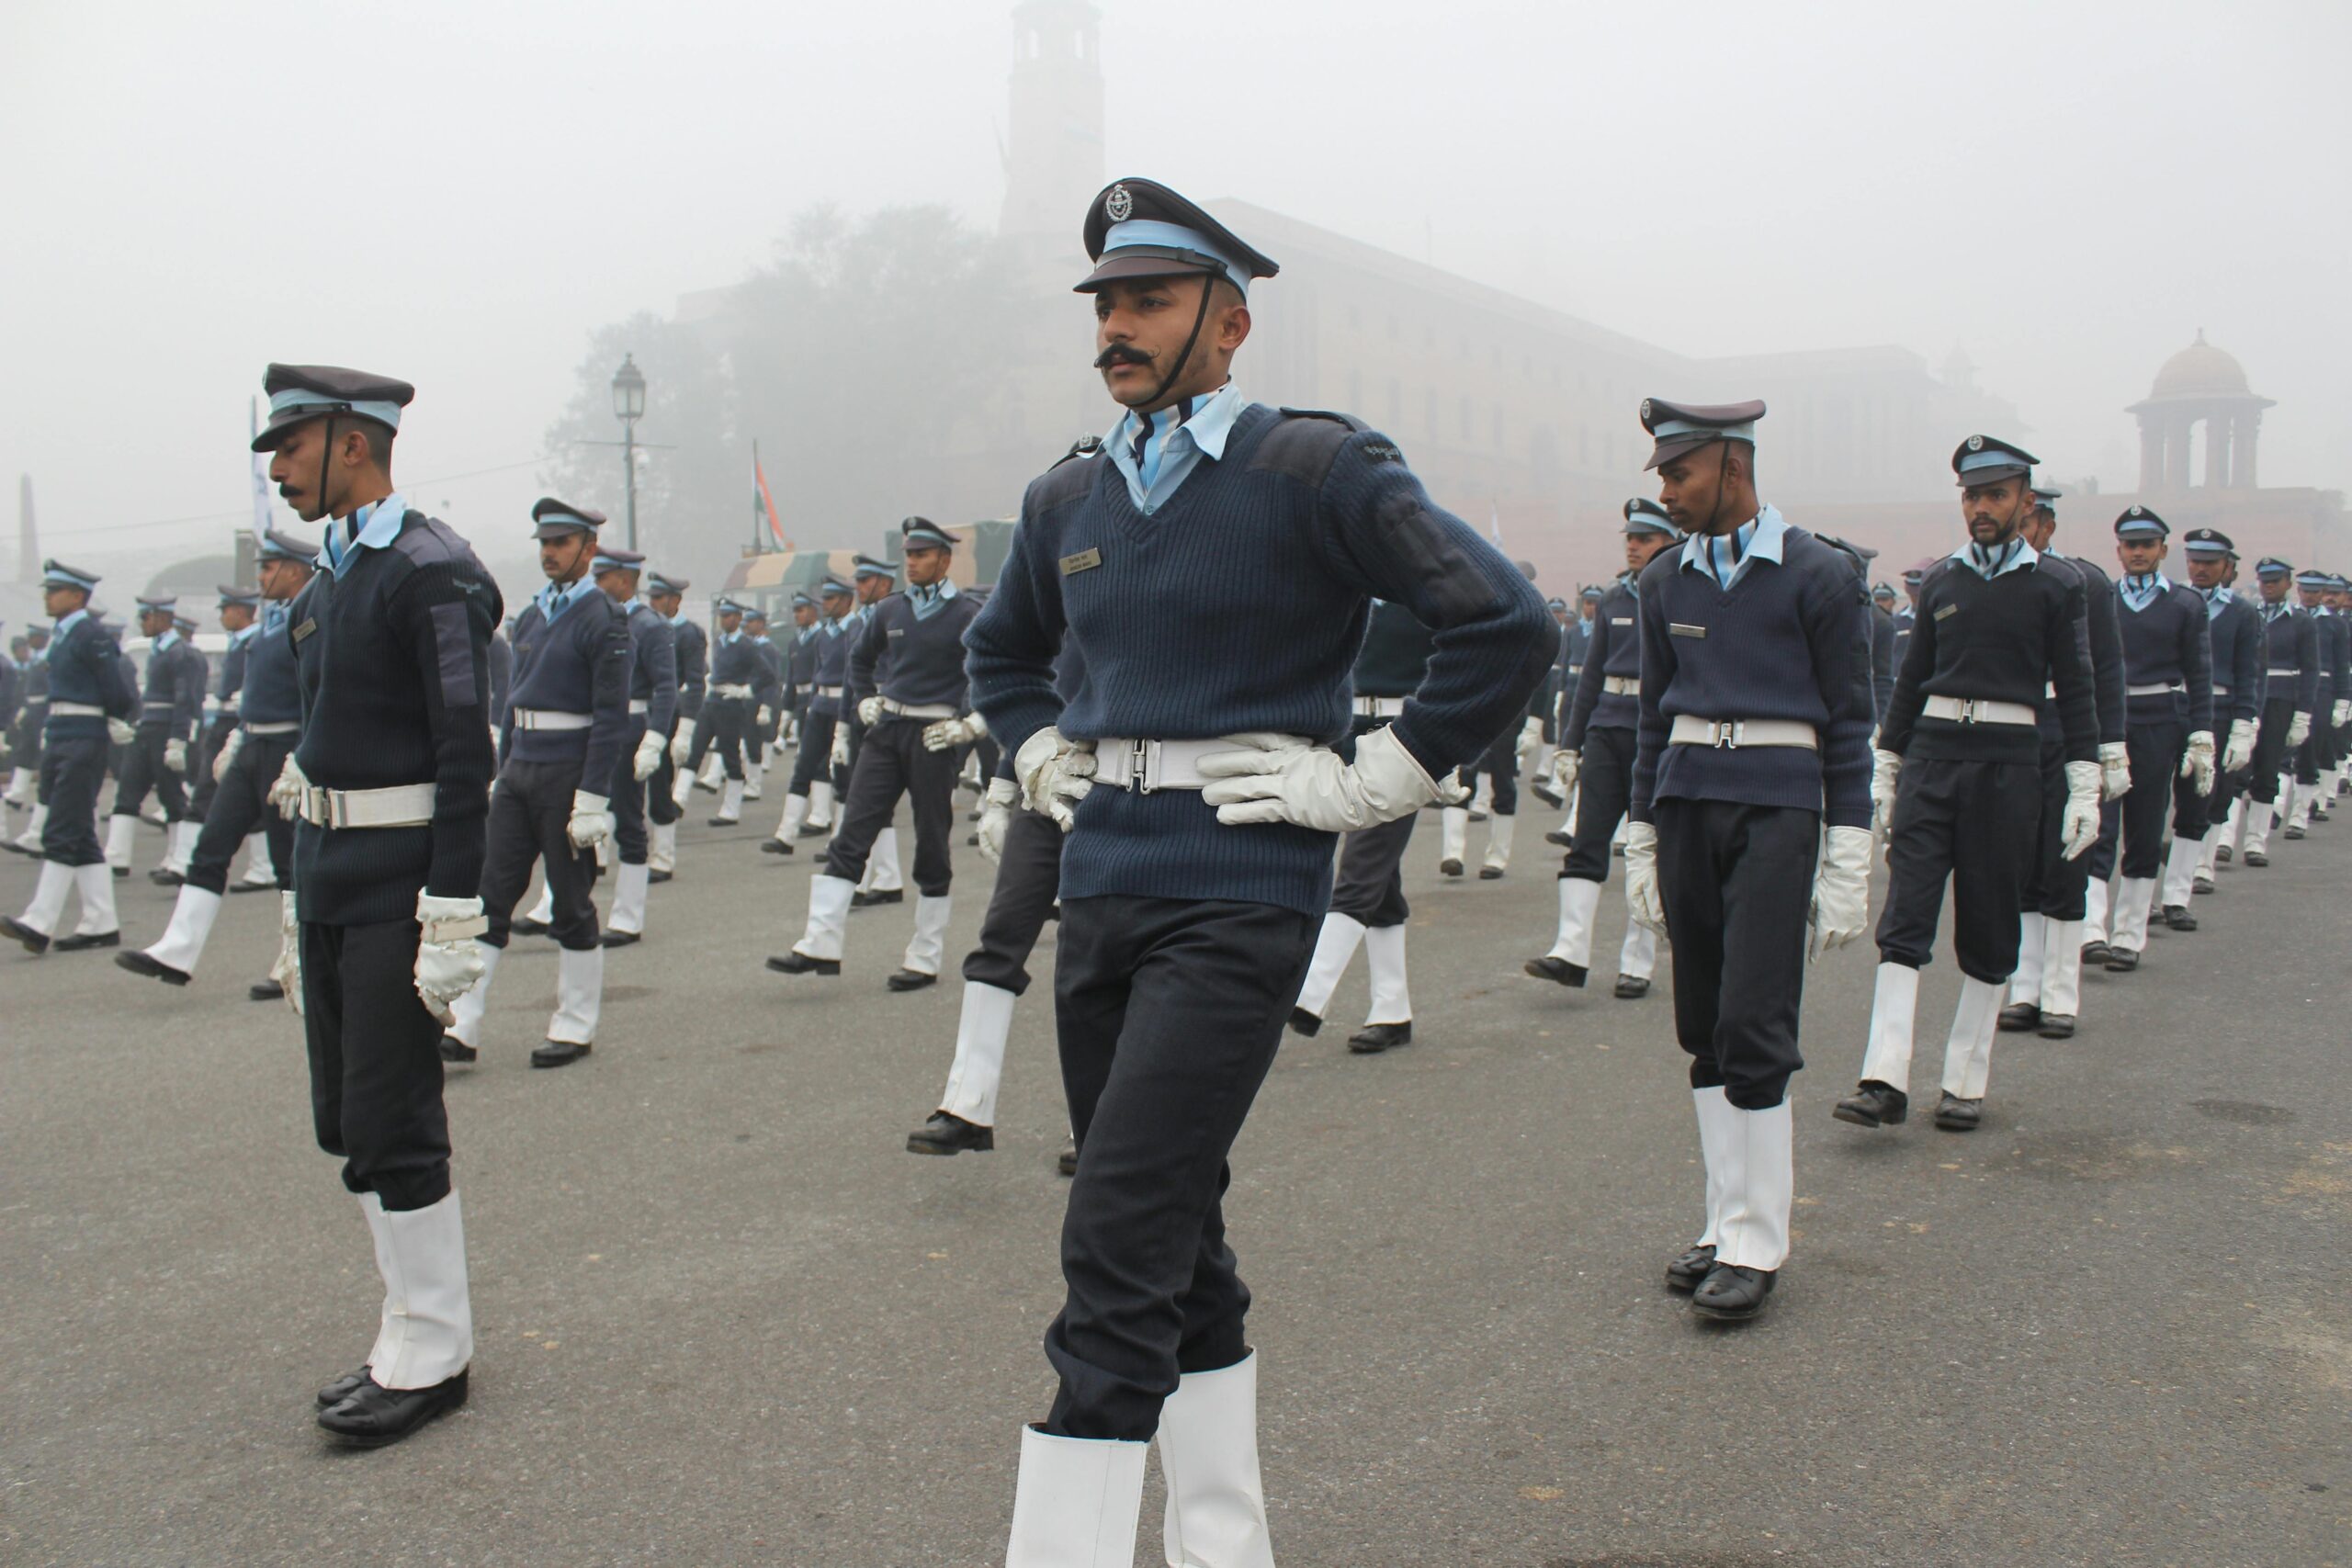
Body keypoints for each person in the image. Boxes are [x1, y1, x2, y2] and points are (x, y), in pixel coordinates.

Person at [963, 177, 1553, 1562]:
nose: (1115, 325)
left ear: (1228, 323)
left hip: (1241, 890)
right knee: (1178, 1224)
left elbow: (1503, 622)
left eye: (1148, 300)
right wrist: (1039, 751)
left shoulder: (1313, 468)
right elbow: (1001, 655)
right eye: (1105, 301)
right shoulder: (1068, 489)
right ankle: (1227, 1543)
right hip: (1102, 874)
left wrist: (1375, 782)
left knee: (1112, 1234)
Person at [254, 362, 499, 1444]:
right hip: (330, 880)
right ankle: (404, 1319)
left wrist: (454, 906)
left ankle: (435, 1350)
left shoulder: (429, 571)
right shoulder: (328, 585)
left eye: (290, 444)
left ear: (353, 442)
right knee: (344, 1120)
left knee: (396, 1118)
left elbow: (461, 748)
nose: (277, 468)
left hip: (402, 887)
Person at [1623, 396, 1874, 1323]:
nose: (1667, 494)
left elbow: (1849, 720)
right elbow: (1653, 718)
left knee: (1755, 1019)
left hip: (1778, 805)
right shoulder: (1662, 586)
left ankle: (1757, 1243)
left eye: (1678, 474)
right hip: (1689, 800)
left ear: (1732, 467)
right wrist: (1640, 833)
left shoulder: (1817, 574)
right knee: (1702, 1025)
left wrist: (1849, 848)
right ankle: (1722, 1218)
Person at [1832, 437, 2098, 1135]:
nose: (1981, 509)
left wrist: (2087, 780)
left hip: (2009, 763)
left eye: (1996, 496)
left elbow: (2077, 687)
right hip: (1933, 759)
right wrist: (1887, 764)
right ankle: (1882, 1077)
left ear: (2024, 502)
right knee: (1905, 919)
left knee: (1989, 921)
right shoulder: (1944, 581)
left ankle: (1964, 1079)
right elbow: (1913, 677)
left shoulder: (2057, 584)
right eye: (1972, 496)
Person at [438, 499, 628, 1071]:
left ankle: (574, 1026)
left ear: (588, 550)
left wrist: (593, 798)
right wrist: (502, 770)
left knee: (570, 903)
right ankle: (462, 1025)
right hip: (522, 771)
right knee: (489, 895)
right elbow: (514, 699)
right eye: (544, 543)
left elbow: (611, 716)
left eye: (562, 543)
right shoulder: (534, 614)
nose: (549, 553)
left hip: (568, 773)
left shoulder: (604, 618)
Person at [769, 517, 982, 989]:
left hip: (935, 736)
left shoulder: (966, 614)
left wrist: (965, 723)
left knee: (931, 842)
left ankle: (925, 955)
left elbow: (982, 670)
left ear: (944, 560)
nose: (912, 562)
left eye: (922, 554)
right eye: (908, 554)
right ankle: (820, 941)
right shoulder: (891, 611)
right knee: (853, 830)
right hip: (887, 730)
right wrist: (863, 698)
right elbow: (858, 661)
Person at [908, 640, 1088, 1158]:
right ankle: (967, 1105)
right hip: (1041, 793)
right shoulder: (1066, 600)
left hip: (1110, 793)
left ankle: (1097, 1122)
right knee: (1000, 940)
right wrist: (1002, 792)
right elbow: (1035, 705)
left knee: (1095, 957)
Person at [117, 531, 318, 992]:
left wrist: (306, 755)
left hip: (287, 748)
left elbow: (320, 690)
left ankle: (299, 963)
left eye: (269, 568)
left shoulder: (312, 613)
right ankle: (176, 950)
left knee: (290, 863)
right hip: (252, 746)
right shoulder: (274, 618)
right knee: (211, 846)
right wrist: (239, 735)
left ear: (294, 569)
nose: (262, 576)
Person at [1526, 498, 1680, 999]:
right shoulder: (1615, 597)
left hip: (1657, 731)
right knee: (1587, 840)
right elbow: (1590, 677)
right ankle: (1570, 952)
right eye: (1629, 538)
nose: (1632, 545)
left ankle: (1638, 961)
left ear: (1668, 541)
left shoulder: (1684, 591)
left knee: (1647, 845)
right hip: (1607, 730)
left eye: (1644, 538)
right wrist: (1570, 743)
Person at [1996, 485, 2125, 1040]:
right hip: (2014, 733)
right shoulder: (1991, 581)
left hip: (2069, 730)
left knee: (2066, 859)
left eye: (2029, 525)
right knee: (2019, 863)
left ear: (2046, 526)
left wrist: (2109, 746)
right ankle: (2023, 988)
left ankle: (2060, 995)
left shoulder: (2083, 581)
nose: (2020, 536)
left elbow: (2108, 669)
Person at [1287, 597, 1436, 1052]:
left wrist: (1448, 748)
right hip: (1342, 733)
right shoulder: (1343, 591)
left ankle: (1309, 992)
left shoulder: (1424, 595)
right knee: (1381, 882)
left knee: (1362, 866)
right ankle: (1393, 1011)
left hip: (1402, 739)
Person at [2097, 507, 2214, 972]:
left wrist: (2201, 730)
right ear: (2120, 550)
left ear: (2163, 550)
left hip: (2160, 719)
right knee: (2099, 824)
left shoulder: (2185, 604)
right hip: (2110, 718)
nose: (2138, 552)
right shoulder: (2102, 599)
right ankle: (2090, 928)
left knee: (2145, 827)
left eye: (2147, 545)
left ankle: (2128, 934)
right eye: (2130, 545)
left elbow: (2199, 674)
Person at [2, 561, 138, 953]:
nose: (47, 596)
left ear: (77, 596)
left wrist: (113, 719)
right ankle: (101, 921)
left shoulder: (89, 634)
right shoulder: (63, 635)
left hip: (83, 738)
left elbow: (117, 689)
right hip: (62, 736)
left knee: (60, 829)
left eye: (55, 590)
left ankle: (39, 920)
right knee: (78, 835)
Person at [2162, 530, 2262, 923]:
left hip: (2217, 708)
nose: (2201, 569)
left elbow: (2249, 672)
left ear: (2226, 566)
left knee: (2198, 800)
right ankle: (2141, 891)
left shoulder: (2242, 612)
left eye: (2210, 562)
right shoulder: (2174, 602)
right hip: (2168, 703)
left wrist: (2244, 721)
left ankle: (2179, 892)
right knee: (2149, 802)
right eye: (2195, 561)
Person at [590, 546, 675, 948]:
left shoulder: (650, 625)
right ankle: (559, 903)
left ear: (624, 580)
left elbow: (665, 686)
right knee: (580, 813)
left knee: (627, 819)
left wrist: (655, 739)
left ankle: (627, 916)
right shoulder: (595, 619)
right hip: (595, 725)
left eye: (602, 577)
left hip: (629, 725)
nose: (596, 585)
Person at [103, 594, 207, 880]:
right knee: (127, 791)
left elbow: (185, 700)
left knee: (172, 796)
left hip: (165, 731)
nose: (142, 623)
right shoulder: (160, 650)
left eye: (146, 617)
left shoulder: (179, 652)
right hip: (149, 729)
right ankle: (116, 856)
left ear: (163, 618)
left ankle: (178, 858)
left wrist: (178, 739)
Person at [2237, 558, 2315, 866]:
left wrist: (2303, 713)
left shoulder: (2301, 621)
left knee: (2268, 769)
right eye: (2264, 581)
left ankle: (2255, 843)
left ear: (2287, 583)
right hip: (2251, 696)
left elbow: (2310, 669)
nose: (2268, 586)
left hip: (2281, 699)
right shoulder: (2249, 614)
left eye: (2274, 581)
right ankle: (2225, 841)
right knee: (2237, 770)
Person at [644, 571, 699, 881]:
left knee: (659, 786)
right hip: (641, 712)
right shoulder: (643, 628)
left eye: (659, 598)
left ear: (675, 601)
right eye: (651, 597)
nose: (653, 603)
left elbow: (694, 685)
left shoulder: (688, 634)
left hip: (669, 713)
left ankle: (663, 858)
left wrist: (686, 730)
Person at [764, 592, 827, 852]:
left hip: (821, 702)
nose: (797, 614)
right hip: (802, 703)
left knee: (822, 763)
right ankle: (806, 823)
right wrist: (786, 715)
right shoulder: (794, 643)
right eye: (796, 610)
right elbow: (790, 681)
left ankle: (822, 815)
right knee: (807, 762)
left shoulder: (821, 638)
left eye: (802, 609)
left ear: (815, 610)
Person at [701, 599, 758, 825]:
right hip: (714, 702)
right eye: (721, 615)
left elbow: (767, 676)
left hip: (733, 706)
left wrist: (745, 691)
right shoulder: (718, 642)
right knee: (698, 749)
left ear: (737, 618)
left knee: (732, 755)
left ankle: (732, 809)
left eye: (727, 615)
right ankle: (680, 798)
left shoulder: (746, 645)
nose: (723, 619)